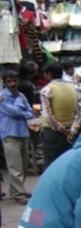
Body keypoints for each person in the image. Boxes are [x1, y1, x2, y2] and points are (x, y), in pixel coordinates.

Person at [0, 70, 34, 204]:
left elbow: (30, 113)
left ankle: (17, 191)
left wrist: (22, 111)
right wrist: (21, 108)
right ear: (4, 82)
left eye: (15, 80)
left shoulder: (21, 95)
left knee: (24, 165)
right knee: (15, 167)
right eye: (9, 81)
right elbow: (13, 112)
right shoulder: (2, 97)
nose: (13, 83)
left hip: (23, 133)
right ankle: (19, 194)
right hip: (10, 134)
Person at [40, 62, 81, 168]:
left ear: (49, 74)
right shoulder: (73, 88)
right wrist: (72, 130)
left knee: (51, 165)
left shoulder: (46, 90)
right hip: (70, 132)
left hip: (53, 133)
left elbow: (48, 115)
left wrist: (61, 129)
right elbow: (78, 113)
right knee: (68, 164)